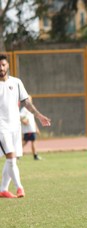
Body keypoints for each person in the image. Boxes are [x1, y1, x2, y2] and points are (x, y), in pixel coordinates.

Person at [0, 54, 51, 198]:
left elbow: (26, 103)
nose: (1, 68)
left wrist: (39, 116)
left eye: (3, 65)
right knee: (10, 156)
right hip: (1, 127)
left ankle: (3, 189)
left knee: (12, 159)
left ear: (8, 65)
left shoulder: (16, 82)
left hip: (15, 127)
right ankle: (19, 188)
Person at [20, 96, 42, 160]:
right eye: (28, 100)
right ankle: (35, 156)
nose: (30, 101)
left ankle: (17, 155)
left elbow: (33, 120)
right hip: (28, 129)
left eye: (30, 100)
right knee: (28, 142)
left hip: (32, 129)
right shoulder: (24, 109)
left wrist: (36, 128)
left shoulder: (30, 110)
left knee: (26, 142)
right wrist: (23, 121)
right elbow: (20, 117)